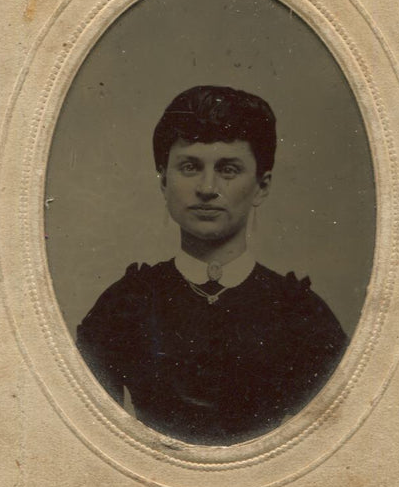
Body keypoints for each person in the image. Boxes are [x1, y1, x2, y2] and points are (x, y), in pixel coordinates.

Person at [77, 86, 348, 445]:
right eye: (190, 167)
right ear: (163, 180)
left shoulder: (301, 315)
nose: (207, 187)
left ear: (261, 186)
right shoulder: (124, 307)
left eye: (229, 169)